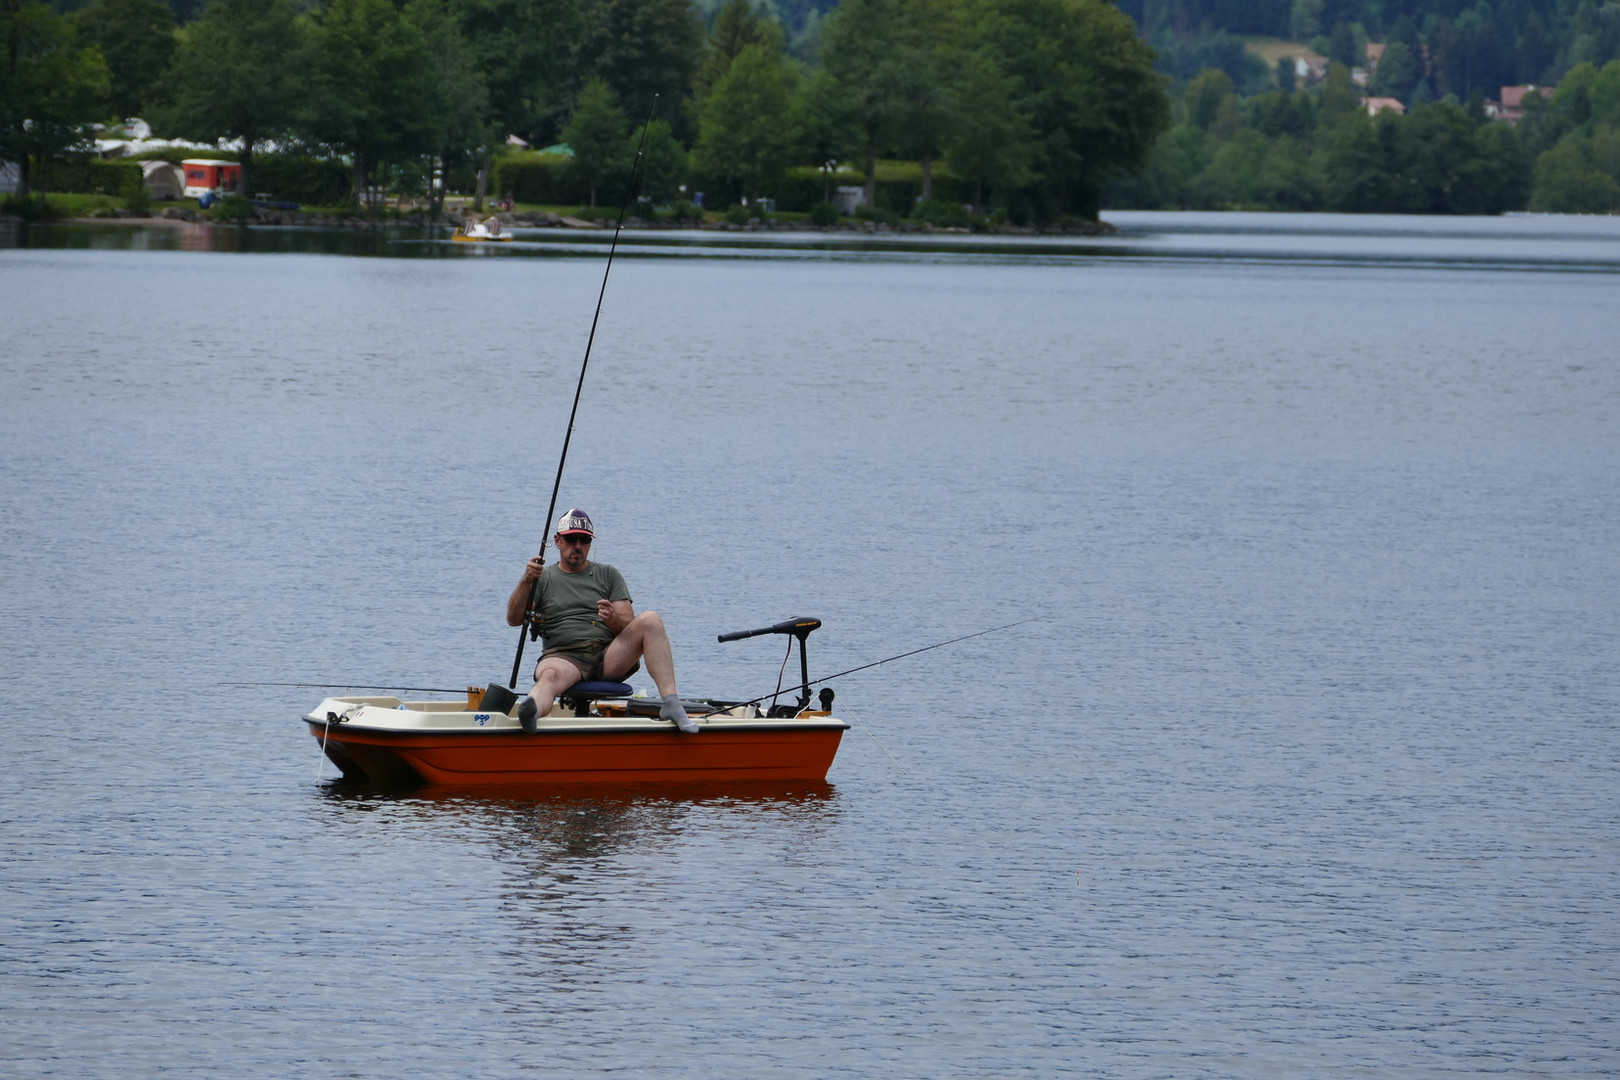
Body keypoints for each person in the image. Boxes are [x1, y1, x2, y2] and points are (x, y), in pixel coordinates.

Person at [506, 508, 698, 734]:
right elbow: (514, 619)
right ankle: (531, 712)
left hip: (607, 656)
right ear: (558, 541)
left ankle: (671, 704)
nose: (577, 546)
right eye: (571, 539)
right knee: (549, 676)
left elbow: (629, 624)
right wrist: (526, 580)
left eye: (584, 540)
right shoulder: (542, 577)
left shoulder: (609, 574)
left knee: (651, 620)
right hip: (564, 656)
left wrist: (614, 619)